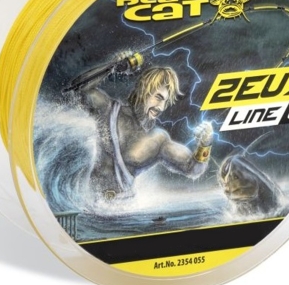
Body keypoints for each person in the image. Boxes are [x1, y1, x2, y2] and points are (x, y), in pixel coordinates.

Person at [78, 64, 213, 201]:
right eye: (158, 98)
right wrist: (114, 66)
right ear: (143, 90)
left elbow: (192, 169)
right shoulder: (107, 110)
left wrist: (205, 144)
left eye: (165, 102)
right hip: (90, 202)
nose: (161, 107)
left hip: (122, 207)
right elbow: (80, 89)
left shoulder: (158, 139)